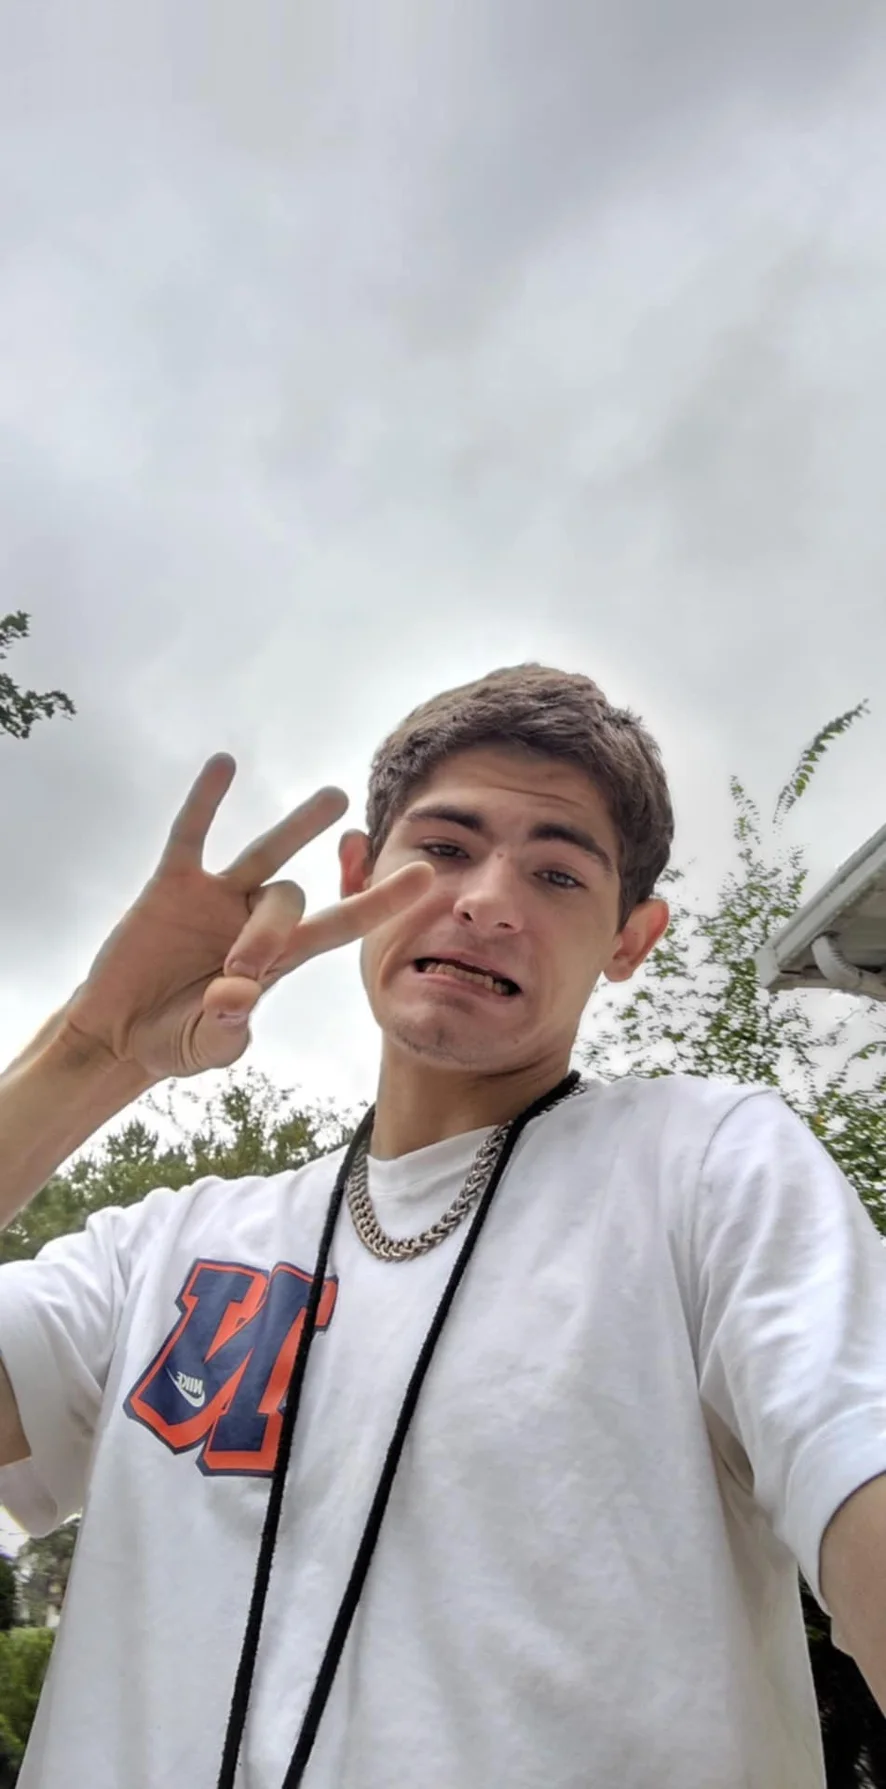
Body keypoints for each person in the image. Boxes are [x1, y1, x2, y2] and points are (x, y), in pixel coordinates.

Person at [0, 663, 884, 1789]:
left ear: (631, 940)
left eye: (557, 872)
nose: (488, 901)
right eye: (445, 847)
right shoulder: (162, 1255)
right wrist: (89, 1052)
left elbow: (858, 1455)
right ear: (358, 875)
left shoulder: (705, 1167)